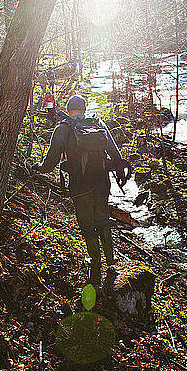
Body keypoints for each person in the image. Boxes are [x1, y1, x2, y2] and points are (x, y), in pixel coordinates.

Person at [31, 95, 129, 288]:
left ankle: (95, 264)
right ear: (84, 108)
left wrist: (38, 168)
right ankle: (111, 263)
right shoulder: (98, 124)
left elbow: (51, 161)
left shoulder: (63, 129)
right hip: (102, 182)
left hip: (80, 185)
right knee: (103, 218)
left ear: (68, 110)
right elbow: (116, 155)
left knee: (87, 224)